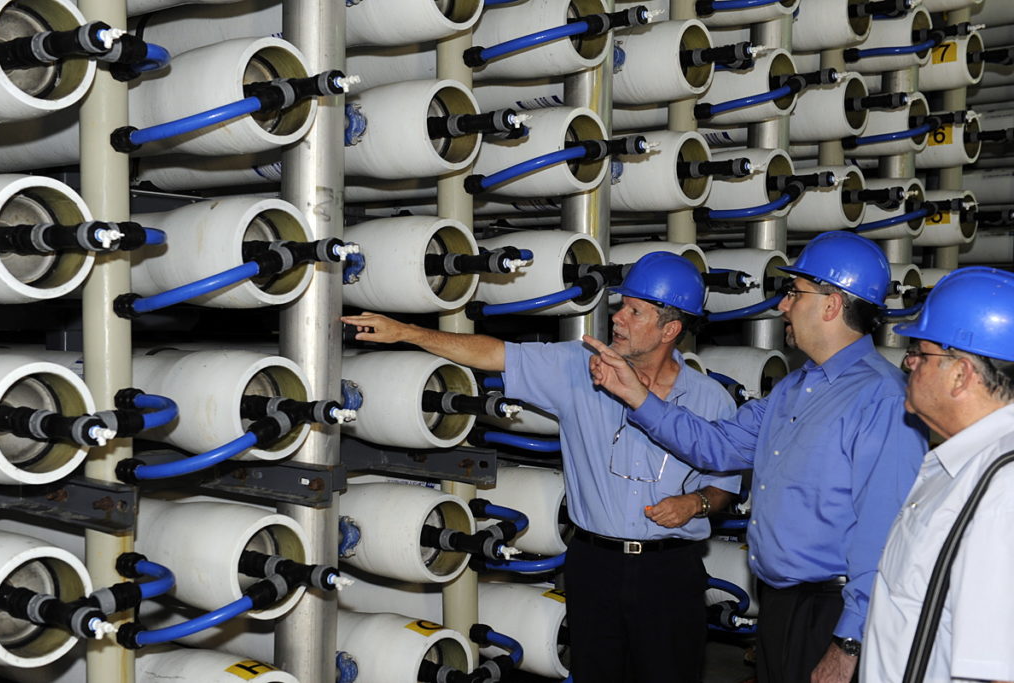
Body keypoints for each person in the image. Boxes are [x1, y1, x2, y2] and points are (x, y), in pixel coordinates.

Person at [343, 251, 740, 683]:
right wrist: (404, 331)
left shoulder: (710, 400)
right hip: (596, 565)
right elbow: (493, 354)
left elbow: (724, 486)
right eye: (621, 305)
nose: (618, 318)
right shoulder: (576, 367)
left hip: (670, 569)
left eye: (634, 310)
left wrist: (696, 502)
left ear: (671, 329)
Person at [583, 232, 928, 683]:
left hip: (833, 613)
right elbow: (715, 444)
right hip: (782, 605)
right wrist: (637, 395)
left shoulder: (880, 399)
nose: (783, 306)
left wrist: (849, 644)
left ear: (831, 304)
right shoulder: (794, 388)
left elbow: (884, 538)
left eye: (795, 293)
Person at [861, 267, 1014, 683]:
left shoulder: (1003, 493)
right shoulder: (962, 464)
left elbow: (995, 671)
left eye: (920, 353)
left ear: (962, 373)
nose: (908, 363)